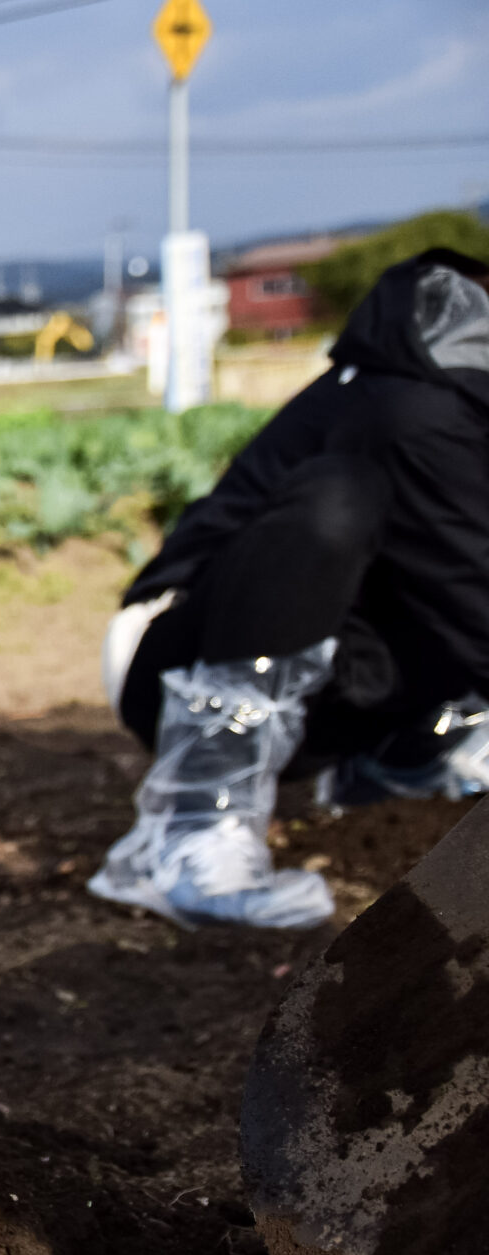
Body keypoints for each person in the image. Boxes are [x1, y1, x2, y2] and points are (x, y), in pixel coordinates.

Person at [92, 248, 489, 929]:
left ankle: (404, 757)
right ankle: (194, 829)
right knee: (340, 500)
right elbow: (470, 591)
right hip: (182, 655)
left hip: (337, 679)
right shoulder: (415, 407)